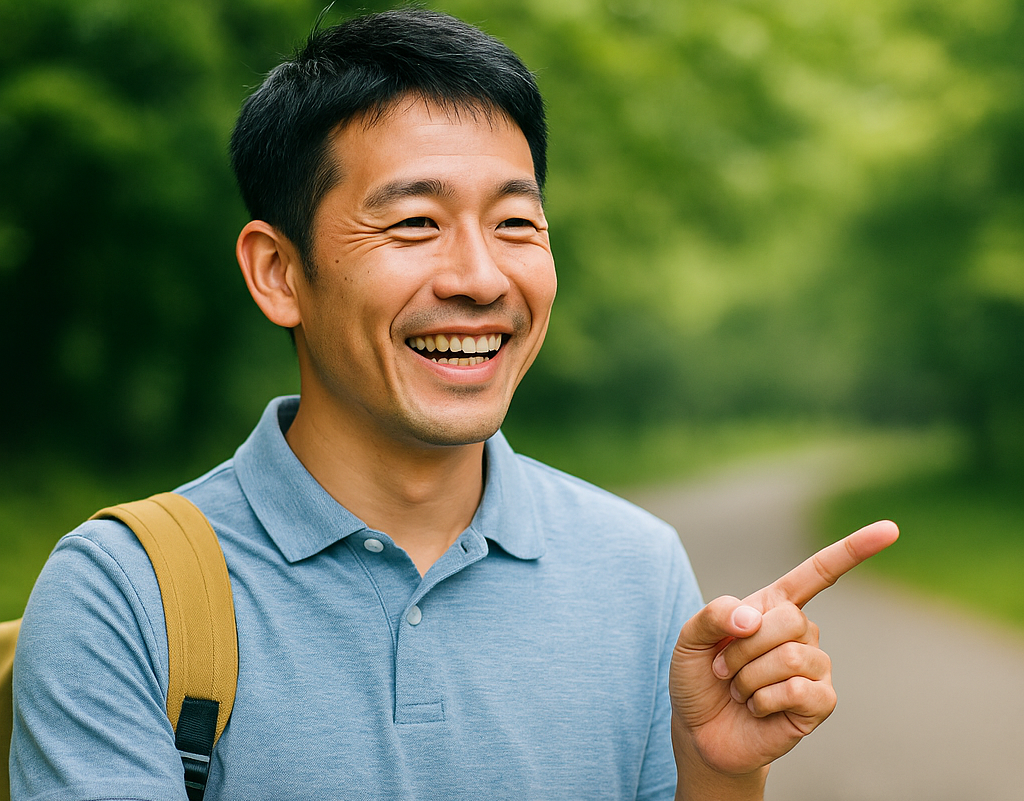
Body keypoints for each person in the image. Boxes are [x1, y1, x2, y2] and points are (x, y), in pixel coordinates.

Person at [10, 9, 898, 800]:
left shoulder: (639, 568)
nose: (479, 278)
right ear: (279, 272)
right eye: (414, 224)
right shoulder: (122, 594)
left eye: (516, 222)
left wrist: (722, 772)